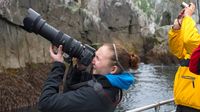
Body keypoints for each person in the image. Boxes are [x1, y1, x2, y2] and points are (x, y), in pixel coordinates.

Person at [38, 43, 140, 112]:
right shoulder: (112, 88)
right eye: (94, 55)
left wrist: (58, 66)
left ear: (113, 69)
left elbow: (45, 103)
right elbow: (71, 94)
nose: (92, 61)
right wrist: (79, 70)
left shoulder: (93, 95)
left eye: (98, 58)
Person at [168, 2, 200, 112]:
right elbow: (178, 51)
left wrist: (188, 16)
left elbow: (190, 41)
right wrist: (176, 28)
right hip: (183, 103)